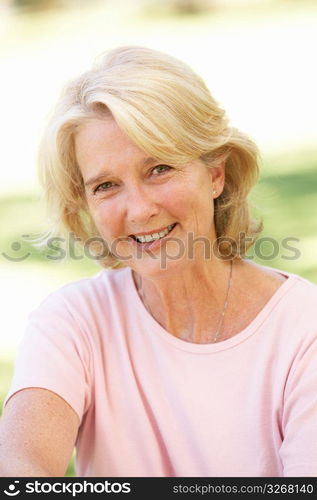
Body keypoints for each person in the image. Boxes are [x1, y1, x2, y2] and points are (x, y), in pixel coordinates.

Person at [0, 46, 316, 478]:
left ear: (216, 174)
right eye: (106, 185)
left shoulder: (304, 329)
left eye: (160, 169)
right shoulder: (71, 322)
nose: (140, 209)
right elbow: (20, 470)